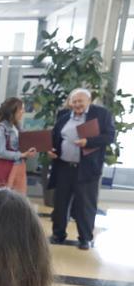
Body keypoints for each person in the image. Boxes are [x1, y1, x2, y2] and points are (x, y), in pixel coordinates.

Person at [47, 88, 115, 250]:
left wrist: (88, 142)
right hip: (64, 167)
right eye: (74, 101)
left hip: (86, 169)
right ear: (70, 102)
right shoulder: (63, 116)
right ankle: (58, 234)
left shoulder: (101, 114)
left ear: (89, 101)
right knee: (60, 203)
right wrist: (52, 150)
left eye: (80, 101)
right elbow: (56, 137)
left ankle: (85, 238)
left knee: (85, 205)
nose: (77, 104)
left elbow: (109, 136)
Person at [0, 97, 37, 195]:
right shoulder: (0, 129)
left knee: (20, 199)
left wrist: (29, 150)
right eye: (21, 109)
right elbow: (0, 152)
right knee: (5, 199)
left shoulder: (17, 126)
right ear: (13, 111)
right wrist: (22, 155)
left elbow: (24, 143)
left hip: (20, 166)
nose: (23, 112)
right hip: (8, 168)